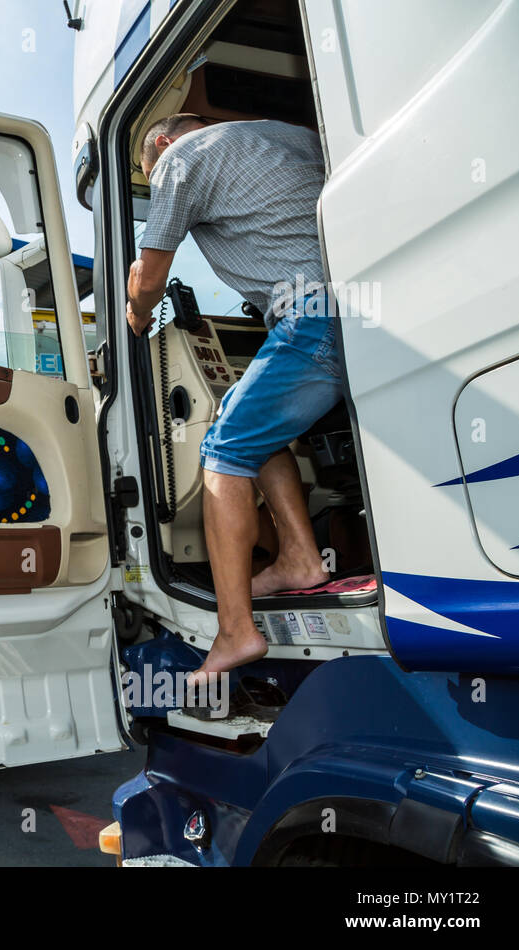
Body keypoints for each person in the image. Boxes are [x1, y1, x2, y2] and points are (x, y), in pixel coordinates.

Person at [124, 114, 341, 682]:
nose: (156, 179)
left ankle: (234, 632)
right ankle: (299, 557)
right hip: (363, 304)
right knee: (240, 421)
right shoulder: (289, 134)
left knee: (221, 452)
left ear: (164, 142)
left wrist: (137, 310)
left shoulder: (180, 156)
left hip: (312, 316)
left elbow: (150, 275)